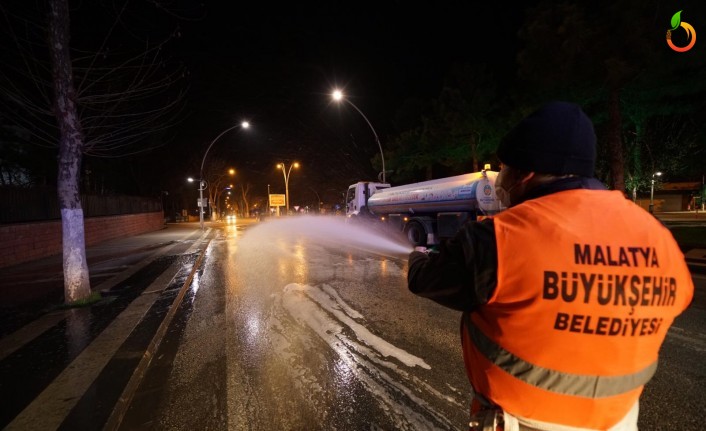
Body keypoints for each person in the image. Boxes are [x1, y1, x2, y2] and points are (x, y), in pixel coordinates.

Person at [407, 101, 694, 431]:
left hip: (520, 421)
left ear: (524, 174)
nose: (501, 179)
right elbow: (678, 299)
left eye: (504, 169)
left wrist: (418, 253)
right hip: (620, 421)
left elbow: (424, 279)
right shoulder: (659, 238)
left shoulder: (497, 239)